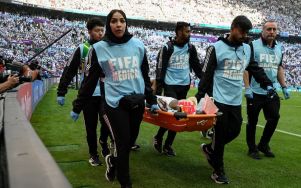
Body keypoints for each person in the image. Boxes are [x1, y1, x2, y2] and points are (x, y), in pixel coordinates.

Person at [71, 9, 158, 188]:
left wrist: (152, 100)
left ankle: (112, 160)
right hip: (114, 104)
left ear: (126, 23)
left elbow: (144, 75)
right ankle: (125, 183)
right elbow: (90, 80)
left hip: (137, 102)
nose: (118, 24)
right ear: (108, 24)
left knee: (129, 142)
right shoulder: (98, 49)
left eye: (122, 20)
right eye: (113, 21)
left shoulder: (139, 45)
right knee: (123, 141)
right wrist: (77, 106)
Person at [195, 15, 275, 184]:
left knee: (235, 130)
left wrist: (267, 84)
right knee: (222, 132)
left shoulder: (246, 48)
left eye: (246, 32)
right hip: (219, 98)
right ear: (232, 28)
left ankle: (210, 149)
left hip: (235, 100)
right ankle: (218, 170)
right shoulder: (215, 48)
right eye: (241, 31)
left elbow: (254, 67)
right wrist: (199, 97)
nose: (244, 35)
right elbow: (206, 75)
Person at [57, 17, 110, 166]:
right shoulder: (82, 49)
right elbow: (69, 71)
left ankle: (104, 142)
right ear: (89, 32)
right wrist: (61, 92)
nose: (100, 33)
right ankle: (93, 153)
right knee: (90, 126)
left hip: (106, 94)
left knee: (107, 123)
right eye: (97, 30)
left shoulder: (108, 48)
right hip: (88, 95)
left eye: (102, 30)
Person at [153, 22, 202, 156]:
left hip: (184, 85)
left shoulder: (190, 48)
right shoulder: (167, 47)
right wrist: (157, 91)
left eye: (189, 31)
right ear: (179, 32)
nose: (189, 34)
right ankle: (160, 139)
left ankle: (167, 144)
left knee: (178, 117)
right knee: (174, 114)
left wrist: (205, 80)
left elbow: (196, 66)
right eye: (187, 31)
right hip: (170, 85)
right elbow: (160, 68)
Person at [244, 20, 290, 160]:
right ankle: (252, 148)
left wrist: (284, 86)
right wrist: (247, 88)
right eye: (269, 29)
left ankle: (263, 144)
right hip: (255, 91)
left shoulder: (279, 48)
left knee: (274, 117)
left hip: (271, 92)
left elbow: (279, 68)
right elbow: (246, 68)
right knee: (252, 121)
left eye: (274, 29)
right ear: (262, 31)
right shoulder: (252, 45)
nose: (271, 32)